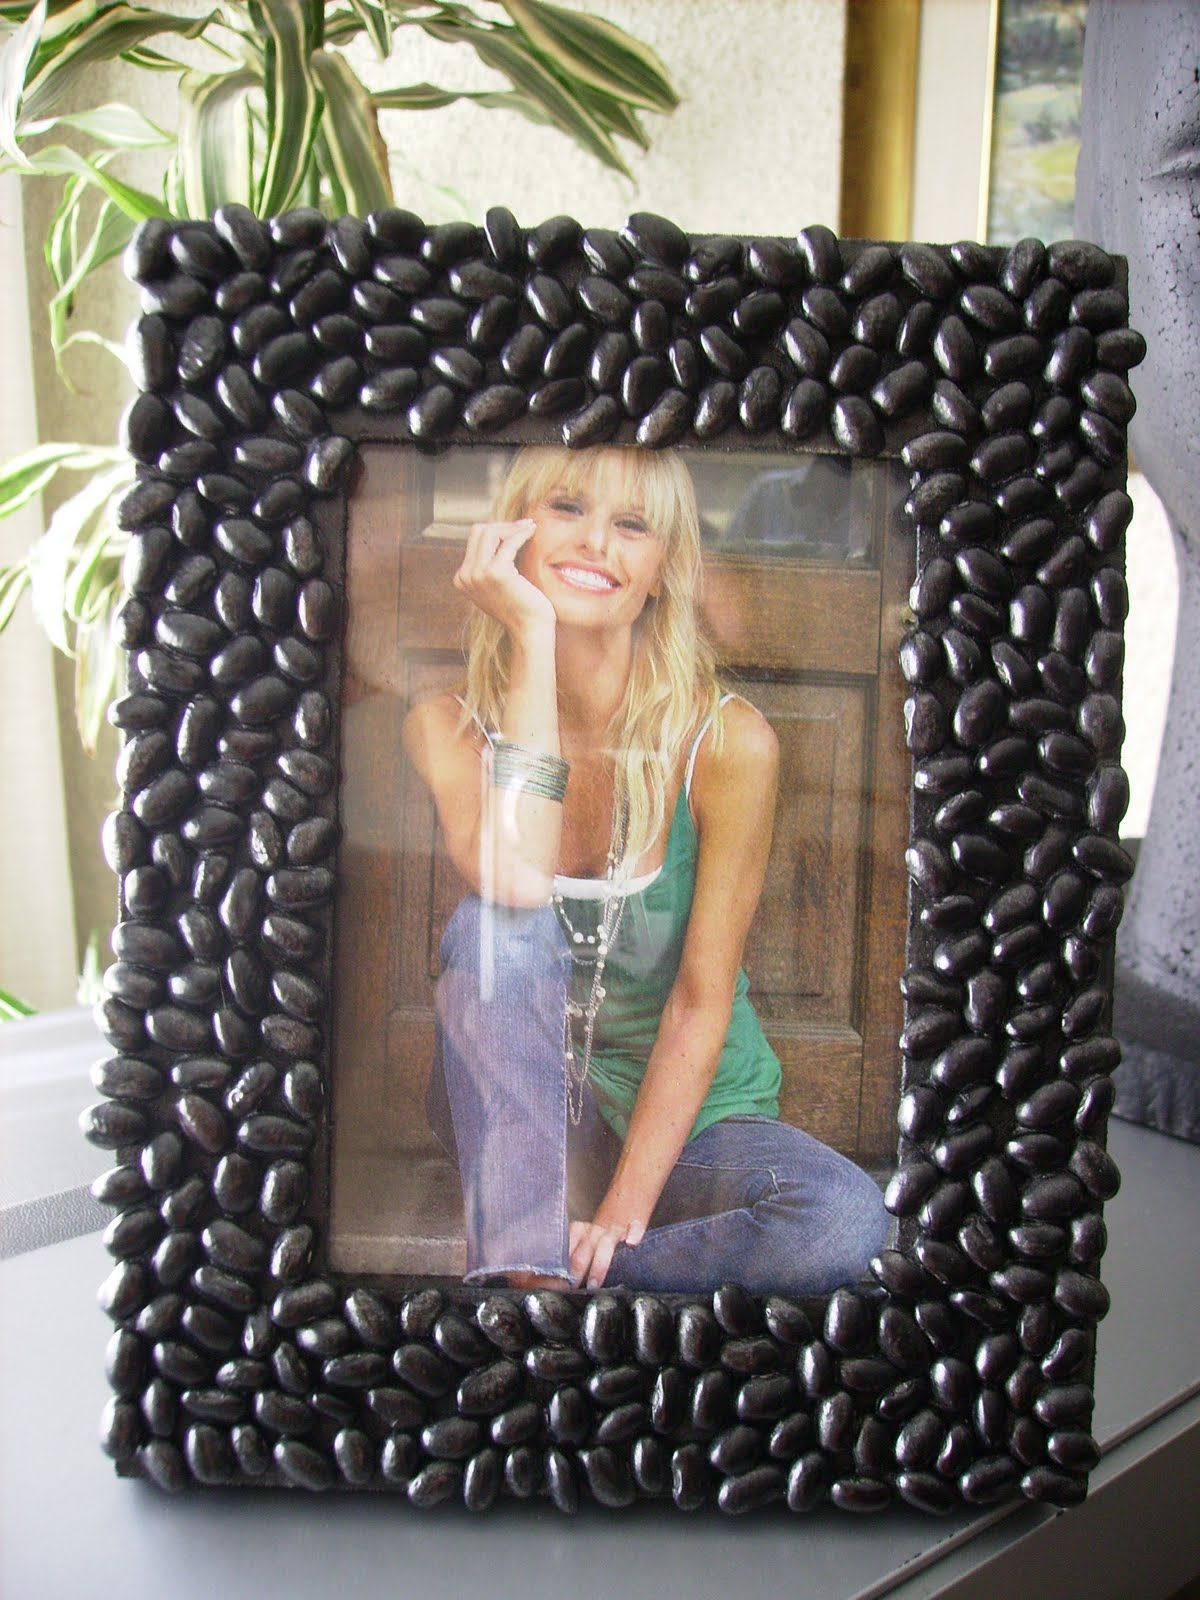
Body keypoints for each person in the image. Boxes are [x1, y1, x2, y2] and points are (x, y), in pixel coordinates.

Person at [401, 444, 888, 1296]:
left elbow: (701, 1001)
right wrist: (533, 636)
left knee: (841, 1219)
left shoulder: (728, 743)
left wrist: (622, 1215)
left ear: (661, 570)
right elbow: (518, 881)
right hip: (525, 1108)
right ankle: (536, 1253)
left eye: (632, 525)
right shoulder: (448, 725)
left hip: (690, 1124)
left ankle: (549, 1277)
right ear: (510, 534)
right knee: (490, 927)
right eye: (566, 508)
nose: (596, 542)